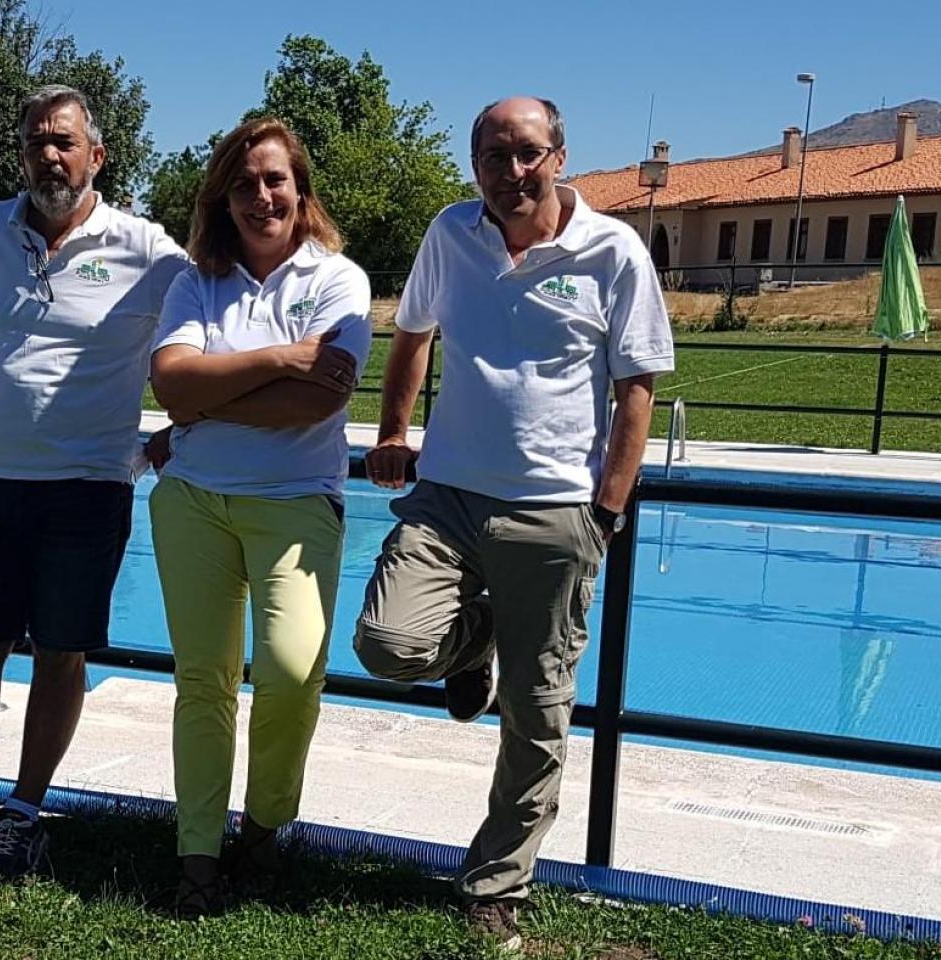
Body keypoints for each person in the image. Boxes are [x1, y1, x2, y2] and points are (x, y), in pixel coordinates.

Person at [353, 96, 674, 950]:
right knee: (389, 646)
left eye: (527, 152)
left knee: (538, 713)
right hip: (449, 496)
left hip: (556, 510)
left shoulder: (614, 251)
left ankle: (499, 881)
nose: (512, 170)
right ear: (476, 166)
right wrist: (394, 429)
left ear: (560, 156)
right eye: (494, 155)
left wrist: (606, 510)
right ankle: (475, 639)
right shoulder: (450, 235)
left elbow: (635, 387)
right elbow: (412, 334)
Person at [0, 86, 189, 881]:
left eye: (64, 142)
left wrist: (177, 432)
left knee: (61, 655)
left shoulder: (147, 249)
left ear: (97, 155)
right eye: (35, 143)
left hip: (90, 488)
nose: (49, 156)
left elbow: (211, 330)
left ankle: (22, 814)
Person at [146, 117, 370, 915]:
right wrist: (280, 358)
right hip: (194, 504)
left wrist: (212, 396)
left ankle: (267, 823)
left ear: (300, 191)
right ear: (223, 197)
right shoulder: (194, 282)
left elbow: (321, 400)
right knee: (202, 682)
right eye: (244, 184)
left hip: (297, 505)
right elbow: (172, 386)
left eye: (275, 180)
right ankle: (198, 852)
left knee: (290, 670)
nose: (261, 196)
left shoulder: (337, 280)